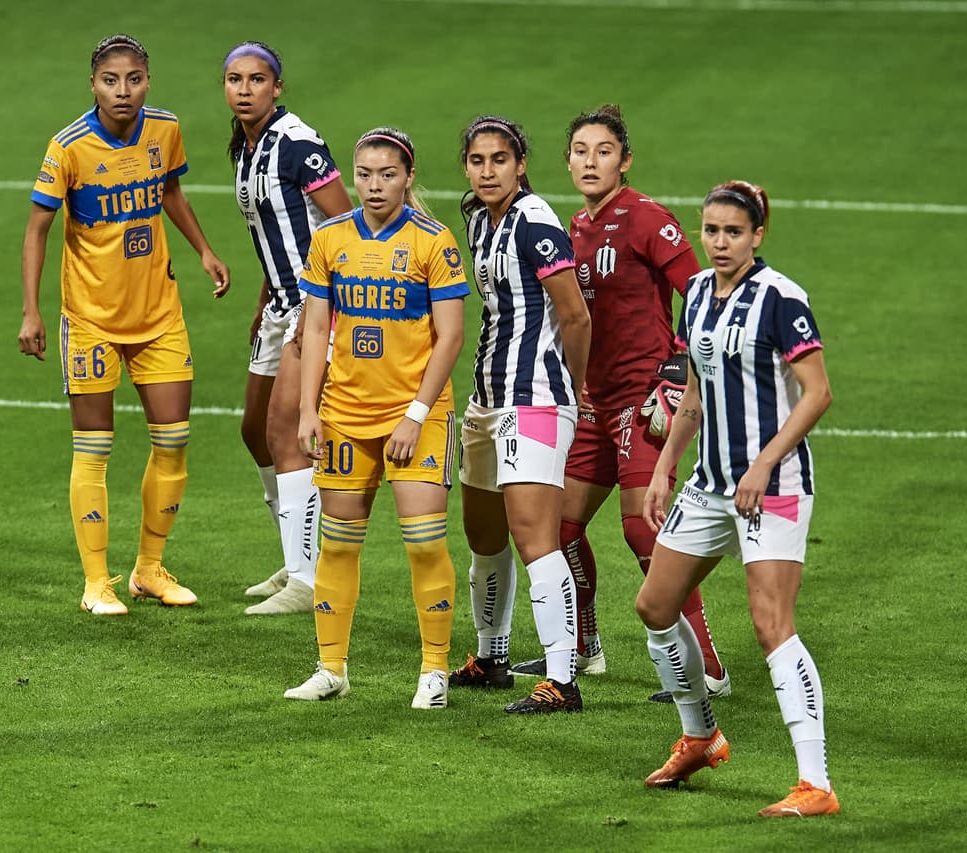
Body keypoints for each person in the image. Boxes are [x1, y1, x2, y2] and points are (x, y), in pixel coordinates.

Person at [507, 105, 731, 704]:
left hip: (641, 398)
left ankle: (708, 667)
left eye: (603, 151)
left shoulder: (647, 219)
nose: (590, 161)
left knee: (641, 528)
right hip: (590, 401)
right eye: (580, 150)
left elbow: (702, 291)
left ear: (624, 161)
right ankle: (581, 646)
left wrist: (679, 369)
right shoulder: (572, 230)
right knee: (560, 526)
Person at [636, 180, 838, 817]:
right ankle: (700, 735)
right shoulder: (695, 293)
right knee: (654, 604)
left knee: (771, 625)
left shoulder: (781, 299)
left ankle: (816, 784)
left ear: (757, 236)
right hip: (709, 484)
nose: (719, 242)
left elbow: (817, 393)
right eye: (711, 230)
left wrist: (764, 464)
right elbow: (693, 394)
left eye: (733, 232)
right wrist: (665, 466)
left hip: (771, 488)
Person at [19, 33, 230, 615]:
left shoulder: (164, 129)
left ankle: (148, 569)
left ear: (147, 80)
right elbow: (38, 228)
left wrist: (204, 251)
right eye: (111, 80)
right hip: (90, 321)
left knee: (174, 442)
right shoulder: (68, 147)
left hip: (159, 316)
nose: (123, 90)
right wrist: (33, 310)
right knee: (94, 448)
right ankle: (95, 583)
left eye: (133, 78)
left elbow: (170, 191)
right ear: (93, 84)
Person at [281, 127, 468, 709]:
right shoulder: (331, 238)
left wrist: (414, 415)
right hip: (344, 414)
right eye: (364, 174)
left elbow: (451, 336)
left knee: (423, 541)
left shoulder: (434, 242)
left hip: (416, 415)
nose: (374, 185)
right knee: (336, 546)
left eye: (387, 174)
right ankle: (331, 668)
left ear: (409, 177)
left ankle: (434, 672)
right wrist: (309, 410)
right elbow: (315, 328)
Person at [447, 116, 592, 714]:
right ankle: (493, 654)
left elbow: (575, 315)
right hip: (487, 396)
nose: (487, 171)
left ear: (521, 163)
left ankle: (561, 679)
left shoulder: (535, 222)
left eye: (499, 160)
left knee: (535, 538)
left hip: (534, 397)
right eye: (477, 161)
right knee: (482, 532)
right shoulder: (481, 219)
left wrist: (571, 391)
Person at [222, 41, 354, 615]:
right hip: (278, 303)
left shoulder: (297, 143)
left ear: (277, 88)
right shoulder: (246, 148)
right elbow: (276, 236)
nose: (244, 89)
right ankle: (292, 553)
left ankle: (308, 577)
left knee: (287, 433)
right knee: (255, 430)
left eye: (256, 80)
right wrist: (262, 299)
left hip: (315, 304)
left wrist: (326, 306)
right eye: (234, 80)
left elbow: (346, 223)